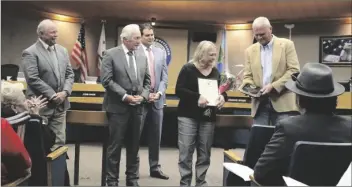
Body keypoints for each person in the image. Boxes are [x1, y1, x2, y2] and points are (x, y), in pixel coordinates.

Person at [253, 63, 352, 186]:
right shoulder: (349, 127)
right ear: (334, 99)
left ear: (299, 100)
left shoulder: (288, 128)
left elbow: (261, 173)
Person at [101, 24, 151, 186]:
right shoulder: (110, 54)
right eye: (136, 38)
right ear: (125, 39)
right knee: (115, 147)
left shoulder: (142, 55)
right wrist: (125, 97)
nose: (139, 41)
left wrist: (142, 97)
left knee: (134, 146)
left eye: (139, 38)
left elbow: (147, 81)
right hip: (118, 108)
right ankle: (112, 181)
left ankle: (132, 179)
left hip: (138, 108)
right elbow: (107, 81)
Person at [175, 41, 227, 186]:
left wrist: (223, 97)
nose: (213, 57)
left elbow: (221, 91)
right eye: (211, 55)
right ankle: (185, 183)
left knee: (205, 152)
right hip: (188, 116)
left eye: (215, 55)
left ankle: (200, 182)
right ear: (201, 54)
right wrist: (197, 97)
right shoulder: (188, 69)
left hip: (208, 117)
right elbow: (179, 90)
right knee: (186, 152)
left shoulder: (216, 71)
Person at [21, 19, 74, 150]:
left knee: (59, 144)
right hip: (40, 107)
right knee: (40, 145)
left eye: (56, 32)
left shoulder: (62, 51)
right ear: (41, 34)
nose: (56, 35)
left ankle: (57, 171)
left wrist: (65, 93)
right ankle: (42, 171)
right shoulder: (30, 52)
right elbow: (33, 78)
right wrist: (52, 95)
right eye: (52, 32)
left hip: (60, 106)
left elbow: (70, 74)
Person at [241, 16, 300, 126]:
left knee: (282, 140)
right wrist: (249, 88)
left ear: (270, 29)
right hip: (260, 105)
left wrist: (273, 86)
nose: (259, 37)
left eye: (262, 34)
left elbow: (294, 71)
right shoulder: (249, 51)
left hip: (283, 104)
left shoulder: (287, 45)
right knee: (260, 139)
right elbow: (248, 76)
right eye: (256, 34)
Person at [1, 81, 57, 186]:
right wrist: (37, 116)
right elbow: (49, 141)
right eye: (24, 100)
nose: (28, 102)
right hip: (26, 176)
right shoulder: (30, 122)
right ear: (14, 107)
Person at [137, 23, 169, 180]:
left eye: (152, 34)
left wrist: (160, 92)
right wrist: (144, 94)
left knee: (156, 136)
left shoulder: (160, 52)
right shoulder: (134, 52)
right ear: (141, 36)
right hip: (140, 101)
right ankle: (133, 168)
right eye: (147, 35)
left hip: (157, 100)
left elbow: (164, 77)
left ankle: (155, 167)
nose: (151, 37)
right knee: (135, 135)